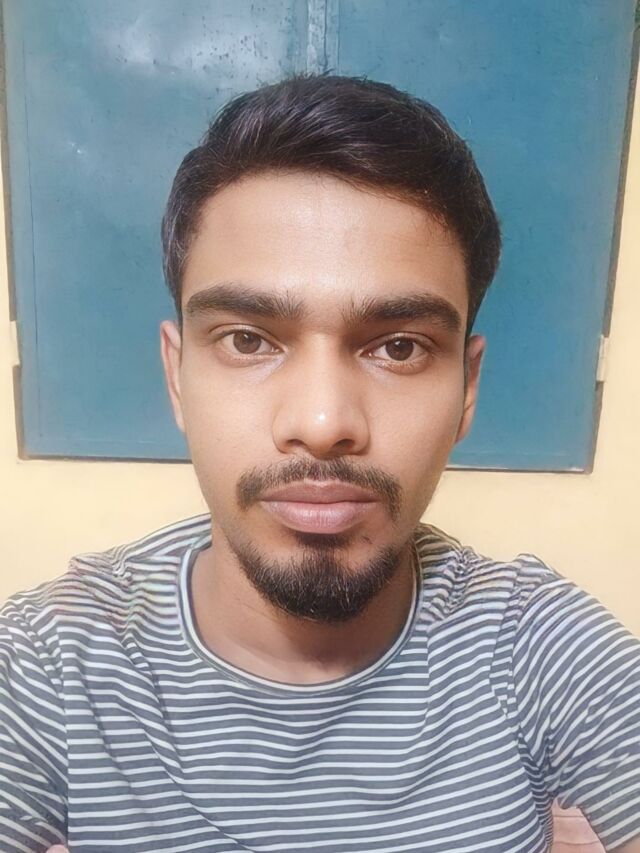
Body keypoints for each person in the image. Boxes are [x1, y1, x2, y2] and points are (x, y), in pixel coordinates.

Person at [1, 73, 638, 853]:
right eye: (248, 339)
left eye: (398, 347)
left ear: (467, 389)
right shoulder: (50, 665)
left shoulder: (531, 642)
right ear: (177, 375)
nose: (323, 422)